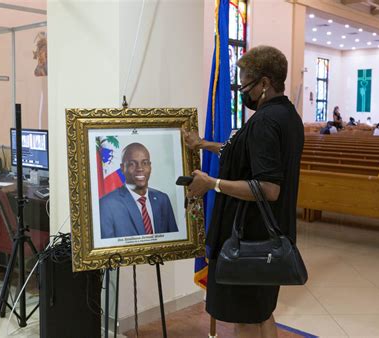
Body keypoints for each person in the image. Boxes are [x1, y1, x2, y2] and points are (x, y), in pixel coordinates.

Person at [183, 45, 304, 338]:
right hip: (270, 237)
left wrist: (211, 183)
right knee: (262, 313)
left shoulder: (264, 122)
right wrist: (203, 144)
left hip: (250, 240)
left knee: (245, 320)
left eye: (245, 84)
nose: (241, 91)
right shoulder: (287, 115)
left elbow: (268, 187)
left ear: (264, 83)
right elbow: (244, 154)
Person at [99, 143, 178, 239]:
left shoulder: (162, 199)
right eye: (132, 164)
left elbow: (173, 242)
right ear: (123, 168)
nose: (140, 169)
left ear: (150, 166)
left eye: (145, 163)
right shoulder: (107, 205)